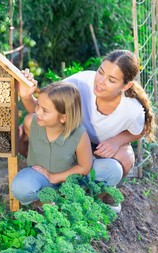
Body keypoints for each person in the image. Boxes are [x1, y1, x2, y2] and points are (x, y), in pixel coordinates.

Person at [18, 49, 156, 204]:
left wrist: (116, 141)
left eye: (111, 80)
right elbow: (45, 112)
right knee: (24, 130)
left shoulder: (132, 109)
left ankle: (97, 197)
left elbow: (139, 130)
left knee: (123, 160)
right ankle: (49, 186)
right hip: (70, 141)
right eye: (100, 72)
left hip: (100, 149)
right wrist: (26, 96)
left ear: (126, 86)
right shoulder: (80, 82)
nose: (100, 82)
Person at [11, 81, 92, 206]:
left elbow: (84, 167)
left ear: (63, 117)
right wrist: (18, 138)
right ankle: (44, 203)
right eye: (38, 106)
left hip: (67, 179)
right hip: (39, 175)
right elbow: (25, 149)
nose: (37, 112)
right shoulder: (30, 122)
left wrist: (54, 177)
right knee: (20, 187)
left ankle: (61, 201)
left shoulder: (79, 134)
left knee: (78, 193)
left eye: (45, 110)